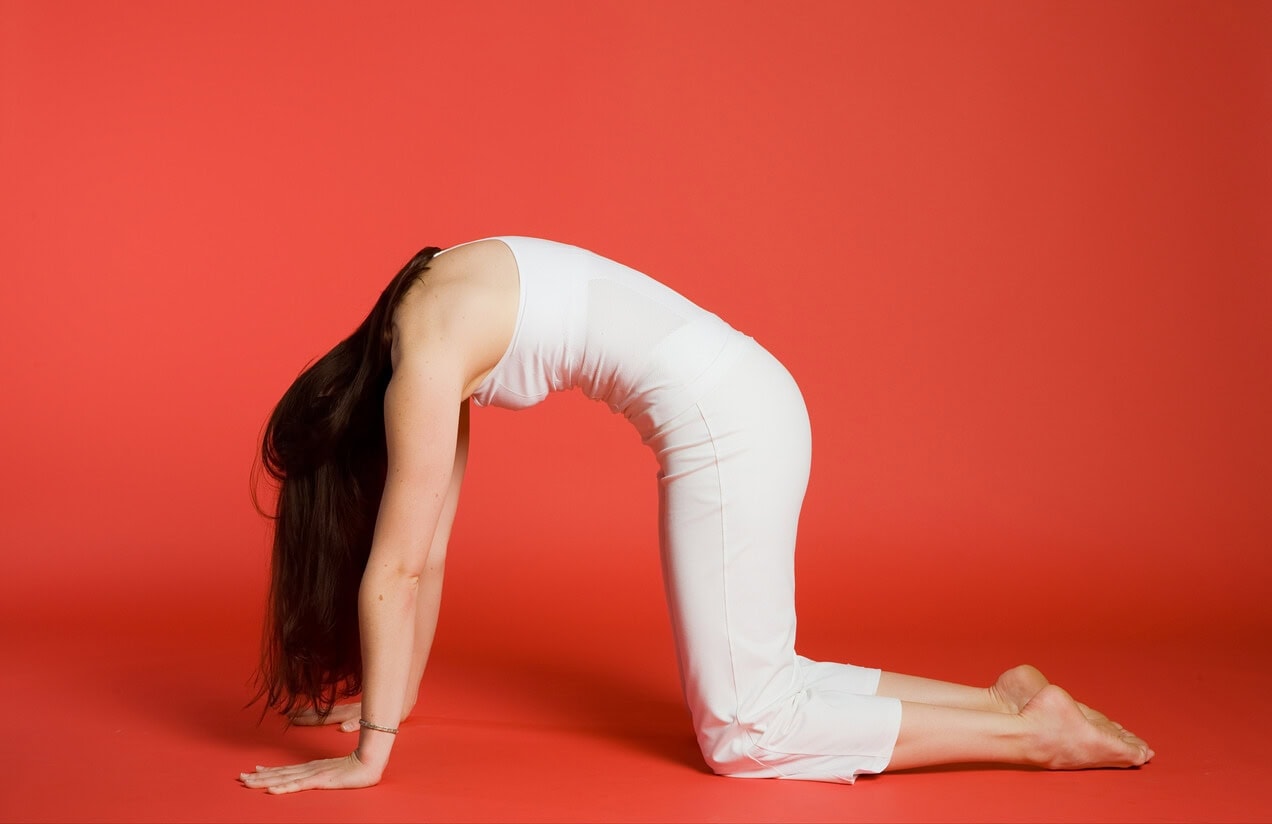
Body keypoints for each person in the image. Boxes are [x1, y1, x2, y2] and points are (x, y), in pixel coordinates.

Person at [240, 237, 1153, 794]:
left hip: (728, 426)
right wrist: (386, 706)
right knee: (767, 681)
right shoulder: (429, 296)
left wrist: (371, 758)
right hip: (750, 395)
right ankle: (1002, 700)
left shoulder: (426, 363)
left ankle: (1033, 737)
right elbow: (429, 556)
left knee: (744, 737)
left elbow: (396, 568)